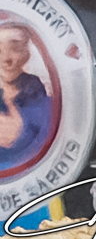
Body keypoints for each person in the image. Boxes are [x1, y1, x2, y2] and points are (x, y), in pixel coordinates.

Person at [0, 22, 55, 178]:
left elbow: (47, 133)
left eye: (15, 48)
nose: (6, 59)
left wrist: (21, 132)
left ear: (26, 53)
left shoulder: (35, 90)